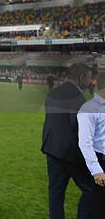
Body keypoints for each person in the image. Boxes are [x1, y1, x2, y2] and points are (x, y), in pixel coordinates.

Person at [41, 63, 93, 219]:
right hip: (70, 154)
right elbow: (78, 128)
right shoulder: (78, 97)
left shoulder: (53, 92)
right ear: (81, 78)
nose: (90, 82)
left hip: (51, 149)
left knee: (56, 194)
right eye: (89, 79)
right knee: (92, 190)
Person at [77, 71, 105, 216]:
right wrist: (97, 170)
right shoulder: (88, 109)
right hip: (100, 162)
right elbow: (84, 142)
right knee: (92, 203)